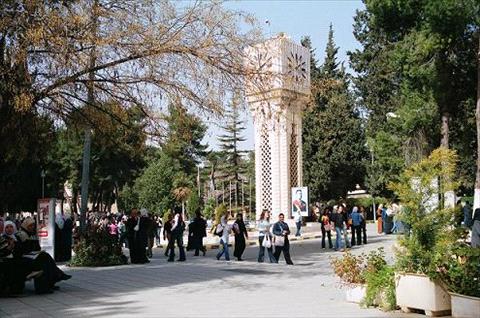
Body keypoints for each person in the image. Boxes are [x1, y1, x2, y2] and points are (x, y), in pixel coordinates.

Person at [15, 217, 72, 293]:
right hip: (24, 258)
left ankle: (52, 281)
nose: (32, 227)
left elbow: (37, 247)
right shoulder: (21, 234)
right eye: (30, 226)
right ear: (26, 225)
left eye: (33, 225)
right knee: (44, 260)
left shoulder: (31, 234)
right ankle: (57, 275)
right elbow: (23, 249)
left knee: (45, 259)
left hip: (31, 256)